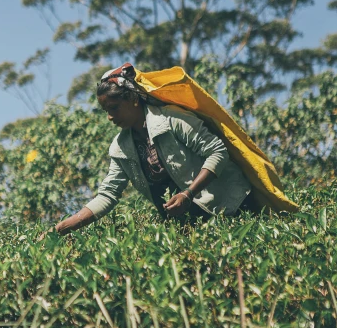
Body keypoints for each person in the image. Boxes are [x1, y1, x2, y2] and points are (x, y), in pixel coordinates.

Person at [51, 63, 254, 236]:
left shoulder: (172, 119)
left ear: (133, 99)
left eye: (114, 108)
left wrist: (189, 193)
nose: (110, 117)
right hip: (193, 226)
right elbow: (108, 195)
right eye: (106, 111)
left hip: (233, 208)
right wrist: (61, 228)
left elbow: (217, 152)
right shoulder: (121, 147)